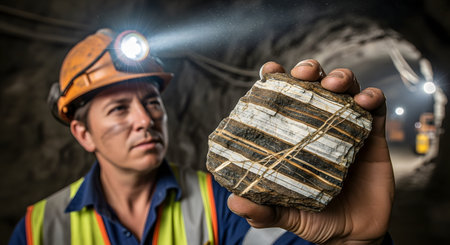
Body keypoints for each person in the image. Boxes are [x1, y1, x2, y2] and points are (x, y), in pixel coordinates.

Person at [9, 28, 394, 245]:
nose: (146, 119)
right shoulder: (38, 229)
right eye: (119, 109)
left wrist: (356, 240)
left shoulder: (227, 203)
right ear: (83, 133)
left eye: (152, 102)